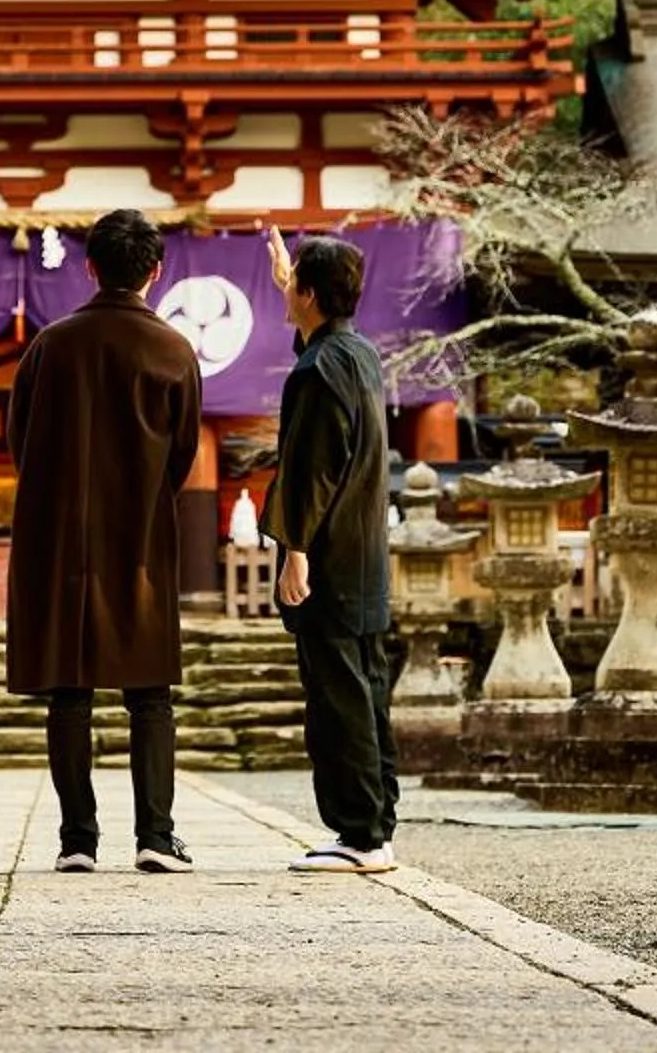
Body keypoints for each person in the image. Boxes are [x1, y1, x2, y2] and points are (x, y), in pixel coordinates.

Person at [4, 208, 204, 874]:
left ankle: (77, 840)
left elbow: (19, 440)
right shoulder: (175, 351)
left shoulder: (50, 345)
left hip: (61, 539)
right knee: (150, 692)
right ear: (155, 270)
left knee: (70, 688)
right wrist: (144, 495)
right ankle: (155, 833)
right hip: (141, 536)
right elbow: (183, 454)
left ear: (89, 267)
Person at [267, 235, 399, 873]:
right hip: (366, 554)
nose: (289, 293)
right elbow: (320, 345)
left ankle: (358, 833)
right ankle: (374, 827)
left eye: (296, 287)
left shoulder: (316, 370)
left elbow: (310, 470)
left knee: (339, 698)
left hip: (330, 556)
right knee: (368, 691)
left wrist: (295, 551)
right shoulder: (359, 354)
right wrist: (289, 295)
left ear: (311, 294)